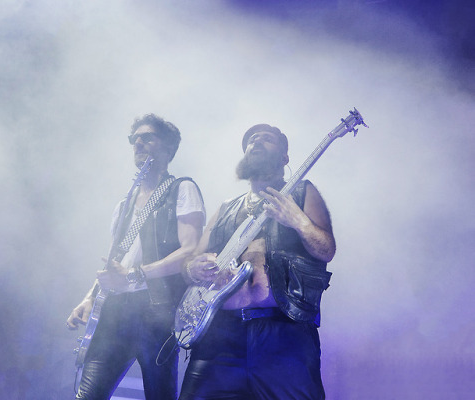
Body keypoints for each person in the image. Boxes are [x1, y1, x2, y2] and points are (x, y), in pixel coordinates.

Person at [178, 124, 336, 400]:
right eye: (252, 139)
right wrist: (194, 268)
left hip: (284, 337)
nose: (257, 142)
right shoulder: (227, 208)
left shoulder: (302, 193)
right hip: (219, 339)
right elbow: (189, 264)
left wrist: (297, 220)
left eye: (267, 139)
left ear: (285, 157)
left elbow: (326, 250)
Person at [66, 114, 206, 400]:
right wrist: (90, 296)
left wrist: (136, 274)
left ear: (167, 148)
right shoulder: (124, 204)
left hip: (156, 311)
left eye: (147, 137)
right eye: (134, 139)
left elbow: (191, 251)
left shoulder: (182, 189)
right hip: (115, 310)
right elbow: (115, 260)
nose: (138, 143)